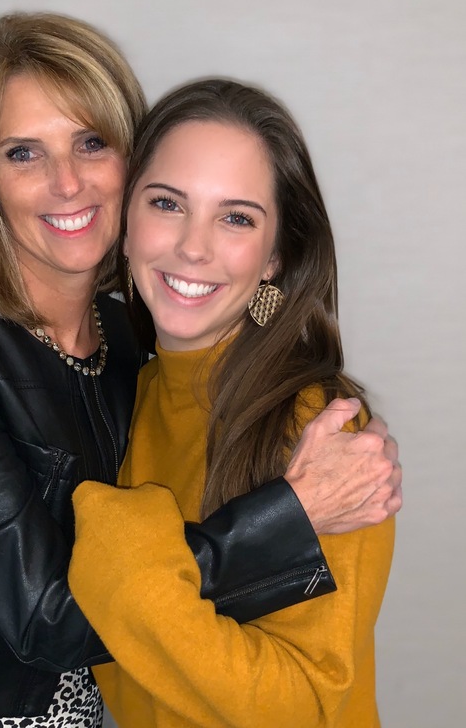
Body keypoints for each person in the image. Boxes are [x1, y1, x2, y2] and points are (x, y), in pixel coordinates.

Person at [0, 15, 400, 728]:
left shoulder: (139, 348)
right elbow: (48, 615)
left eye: (91, 142)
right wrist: (284, 522)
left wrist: (137, 548)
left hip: (72, 711)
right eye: (23, 152)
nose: (67, 183)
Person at [69, 79, 397, 727]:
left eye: (236, 217)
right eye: (167, 203)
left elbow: (302, 706)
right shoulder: (120, 389)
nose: (194, 247)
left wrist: (118, 540)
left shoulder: (318, 428)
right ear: (126, 220)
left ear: (275, 257)